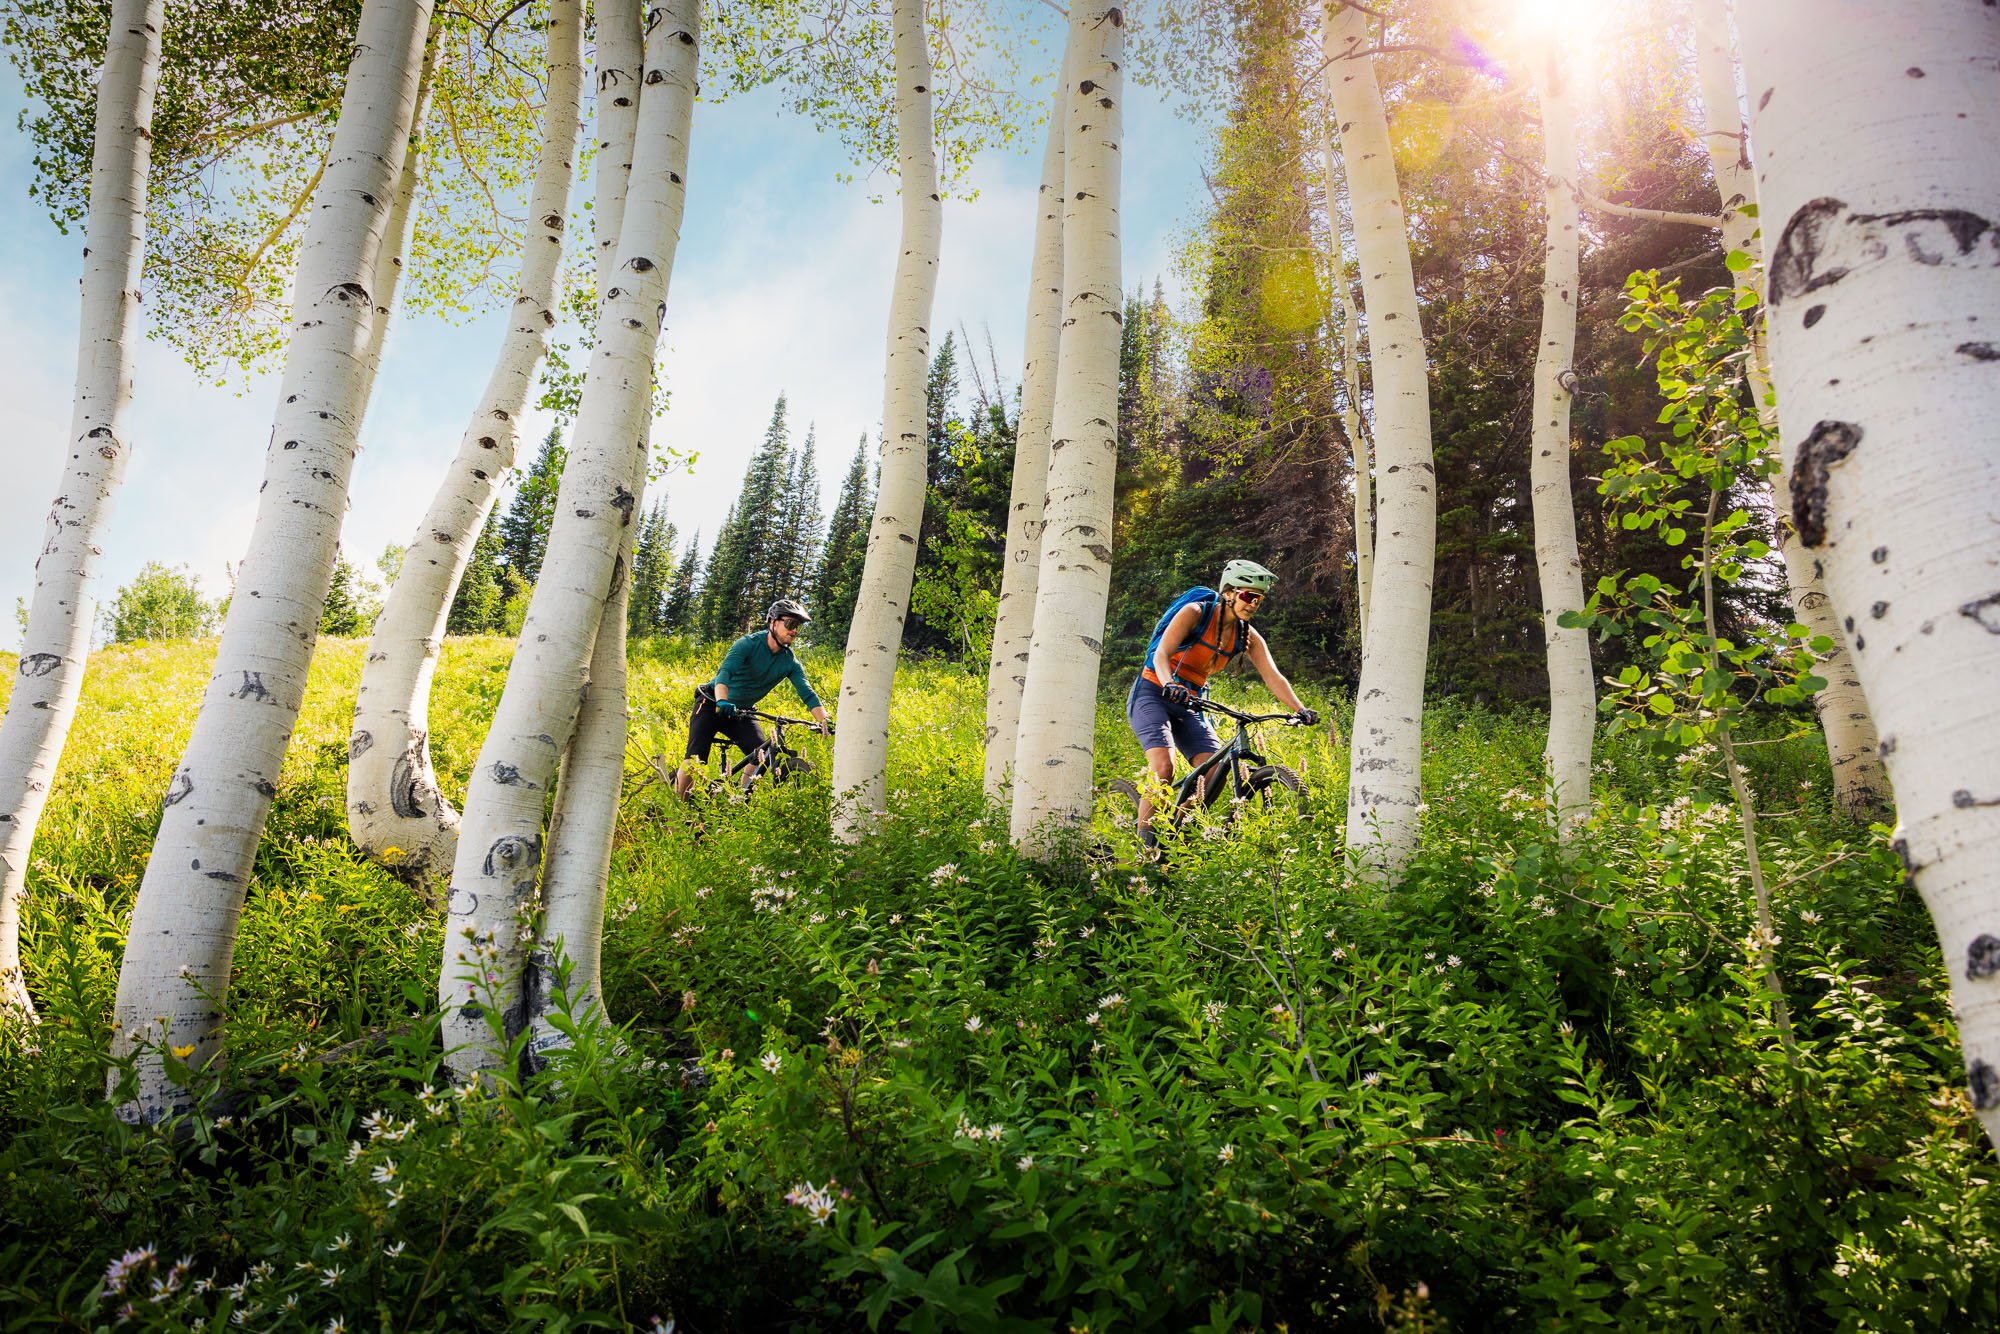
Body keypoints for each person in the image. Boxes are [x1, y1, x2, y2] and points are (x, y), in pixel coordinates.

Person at [1126, 559, 1317, 854]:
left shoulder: (1247, 635)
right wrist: (1169, 683)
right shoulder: (1195, 613)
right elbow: (1162, 654)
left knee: (1214, 772)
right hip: (1153, 691)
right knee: (1164, 767)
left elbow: (1273, 676)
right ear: (1228, 592)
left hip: (1190, 701)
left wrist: (1301, 709)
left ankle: (1175, 835)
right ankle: (1145, 848)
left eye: (1259, 599)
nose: (1253, 604)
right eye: (1248, 596)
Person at [675, 598, 832, 801]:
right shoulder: (748, 644)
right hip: (712, 703)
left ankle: (740, 799)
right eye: (790, 624)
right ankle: (678, 808)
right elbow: (725, 673)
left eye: (798, 627)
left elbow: (808, 693)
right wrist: (722, 700)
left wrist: (823, 720)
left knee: (761, 755)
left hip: (743, 711)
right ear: (773, 622)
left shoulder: (789, 662)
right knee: (695, 759)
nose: (794, 631)